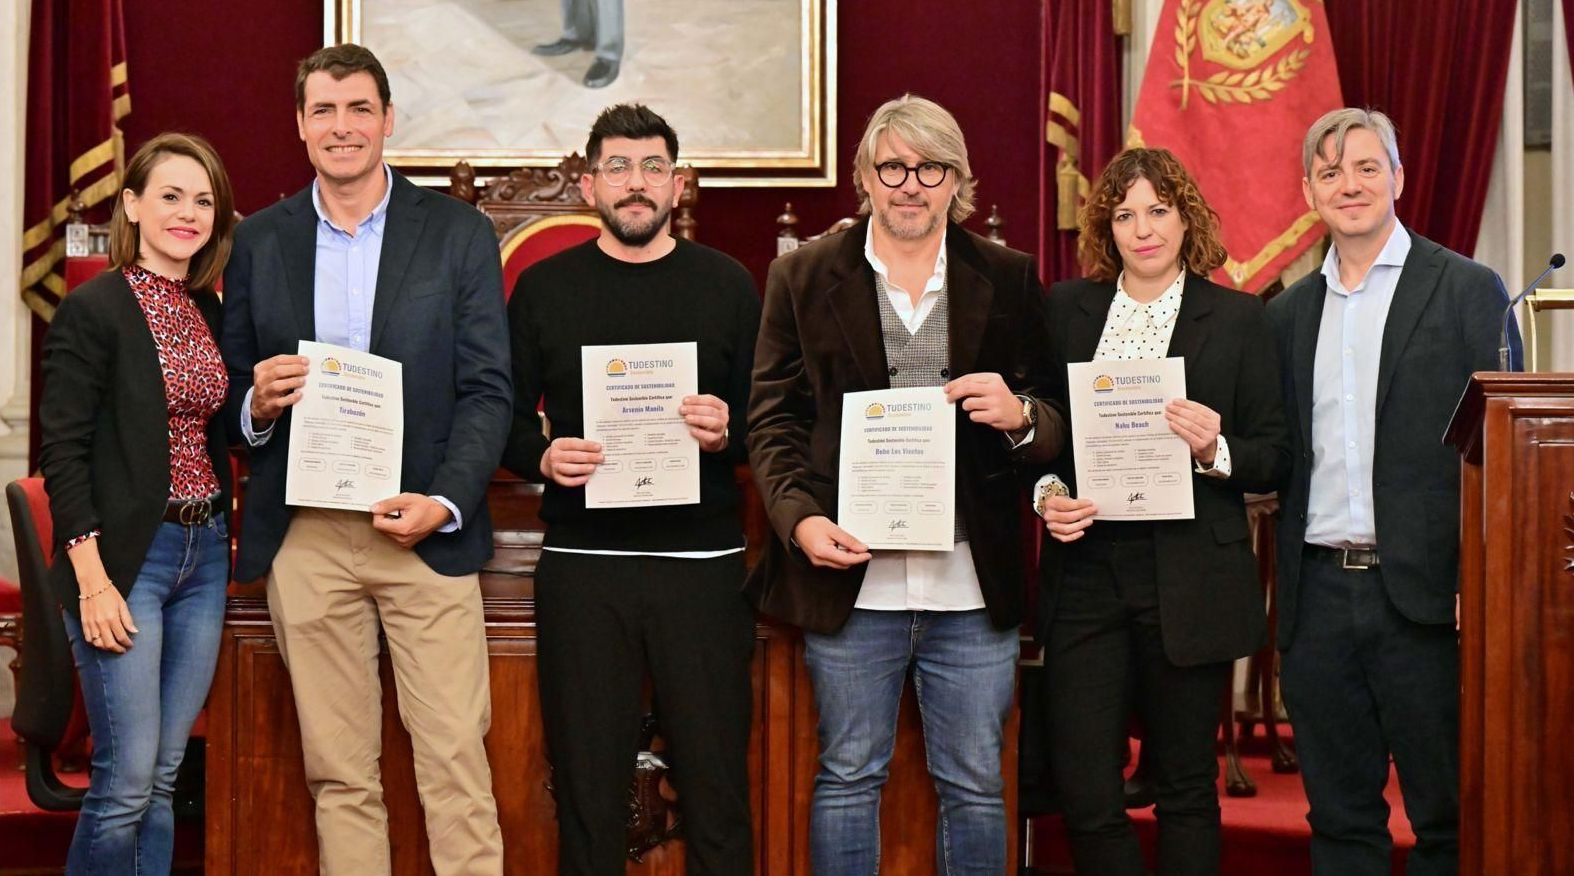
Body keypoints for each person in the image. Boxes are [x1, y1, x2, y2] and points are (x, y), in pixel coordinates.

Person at [746, 93, 1066, 875]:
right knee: (848, 774)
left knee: (977, 784)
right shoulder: (801, 276)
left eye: (931, 168)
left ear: (958, 180)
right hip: (852, 582)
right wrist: (799, 521)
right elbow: (772, 421)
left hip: (970, 585)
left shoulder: (1009, 276)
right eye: (893, 167)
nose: (911, 184)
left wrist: (1020, 414)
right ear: (865, 176)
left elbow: (1056, 418)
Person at [220, 44, 512, 876]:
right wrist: (256, 404)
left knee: (455, 760)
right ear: (300, 124)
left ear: (387, 120)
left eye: (358, 109)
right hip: (308, 534)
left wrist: (444, 502)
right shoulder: (259, 241)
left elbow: (489, 389)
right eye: (324, 110)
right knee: (339, 773)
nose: (341, 126)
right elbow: (231, 389)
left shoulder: (457, 233)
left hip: (422, 530)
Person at [503, 103, 761, 875]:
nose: (636, 182)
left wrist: (728, 430)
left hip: (702, 567)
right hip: (585, 567)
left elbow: (771, 418)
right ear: (590, 185)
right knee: (587, 790)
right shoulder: (544, 289)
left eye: (653, 167)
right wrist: (543, 457)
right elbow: (499, 418)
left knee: (717, 785)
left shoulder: (728, 284)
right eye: (618, 167)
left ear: (678, 185)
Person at [1267, 107, 1517, 876]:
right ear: (1309, 191)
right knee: (1340, 822)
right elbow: (1279, 453)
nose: (1350, 184)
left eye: (1367, 167)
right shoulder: (1285, 315)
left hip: (1430, 603)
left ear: (1398, 179)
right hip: (1316, 601)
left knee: (1448, 820)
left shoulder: (1467, 289)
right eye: (1331, 172)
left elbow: (1500, 453)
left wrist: (1482, 577)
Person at [1033, 147, 1289, 876]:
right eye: (1124, 214)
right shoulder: (1065, 310)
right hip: (1086, 571)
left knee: (1185, 789)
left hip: (1191, 574)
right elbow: (1041, 436)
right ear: (1105, 227)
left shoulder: (1239, 319)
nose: (1143, 229)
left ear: (1186, 218)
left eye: (1158, 210)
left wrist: (1215, 447)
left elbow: (1275, 454)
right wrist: (1048, 497)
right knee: (1086, 792)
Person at [40, 132, 237, 875]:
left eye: (203, 201)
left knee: (161, 775)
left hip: (204, 554)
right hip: (127, 559)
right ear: (131, 205)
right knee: (124, 781)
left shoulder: (209, 308)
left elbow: (219, 427)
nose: (188, 213)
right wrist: (92, 579)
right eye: (171, 196)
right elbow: (61, 452)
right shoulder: (93, 307)